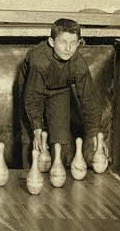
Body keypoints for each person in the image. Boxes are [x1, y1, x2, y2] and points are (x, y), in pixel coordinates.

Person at [19, 18, 100, 168]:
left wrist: (95, 132)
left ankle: (57, 174)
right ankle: (27, 176)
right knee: (31, 139)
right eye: (63, 42)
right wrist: (37, 128)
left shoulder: (78, 64)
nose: (68, 48)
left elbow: (89, 98)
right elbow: (33, 97)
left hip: (60, 89)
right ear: (51, 41)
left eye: (73, 43)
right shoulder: (39, 61)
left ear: (79, 42)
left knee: (61, 140)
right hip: (31, 88)